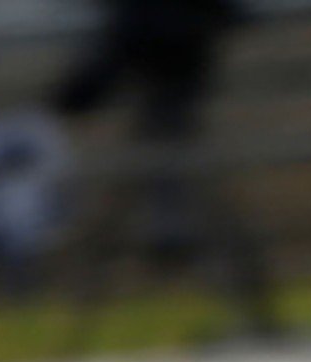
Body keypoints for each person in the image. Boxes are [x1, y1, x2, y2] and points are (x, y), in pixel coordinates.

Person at [49, 0, 282, 339]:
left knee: (182, 188)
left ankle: (250, 310)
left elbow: (118, 45)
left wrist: (71, 99)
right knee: (192, 193)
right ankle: (256, 314)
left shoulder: (142, 17)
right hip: (173, 101)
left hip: (170, 102)